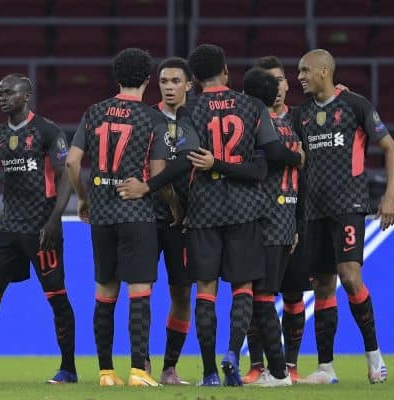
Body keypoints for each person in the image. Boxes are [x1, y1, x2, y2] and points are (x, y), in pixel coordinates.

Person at [117, 44, 304, 387]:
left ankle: (208, 373)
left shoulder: (191, 111)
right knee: (243, 288)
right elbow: (262, 167)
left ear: (195, 78)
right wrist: (292, 158)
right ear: (226, 71)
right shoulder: (253, 106)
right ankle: (233, 351)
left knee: (205, 290)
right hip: (246, 210)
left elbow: (182, 161)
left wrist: (148, 185)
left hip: (203, 211)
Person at [65, 48, 182, 387]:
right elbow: (159, 176)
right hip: (137, 215)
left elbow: (72, 162)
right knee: (140, 291)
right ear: (148, 79)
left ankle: (105, 372)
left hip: (101, 214)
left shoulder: (94, 112)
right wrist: (173, 206)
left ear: (117, 77)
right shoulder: (153, 119)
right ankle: (138, 371)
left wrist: (84, 198)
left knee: (104, 292)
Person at [0, 74, 77, 384]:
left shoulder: (48, 131)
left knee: (56, 296)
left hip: (41, 228)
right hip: (8, 228)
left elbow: (67, 176)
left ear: (26, 95)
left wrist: (55, 220)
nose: (2, 97)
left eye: (9, 92)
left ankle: (68, 368)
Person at [295, 49, 394, 384]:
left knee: (350, 276)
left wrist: (390, 196)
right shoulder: (303, 114)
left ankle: (375, 358)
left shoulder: (355, 105)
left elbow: (390, 148)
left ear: (323, 70)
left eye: (305, 71)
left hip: (349, 205)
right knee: (323, 285)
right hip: (314, 211)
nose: (300, 77)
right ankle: (326, 368)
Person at [241, 57, 311, 386]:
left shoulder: (259, 125)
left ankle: (280, 371)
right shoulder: (288, 128)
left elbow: (263, 165)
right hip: (285, 218)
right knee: (262, 295)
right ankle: (268, 368)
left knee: (264, 296)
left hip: (267, 219)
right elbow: (296, 162)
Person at [146, 56, 194, 385]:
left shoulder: (199, 119)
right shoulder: (146, 119)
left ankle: (170, 368)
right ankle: (142, 365)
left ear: (189, 85)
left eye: (176, 81)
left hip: (187, 223)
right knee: (141, 292)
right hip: (148, 218)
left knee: (181, 294)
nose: (169, 87)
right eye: (164, 81)